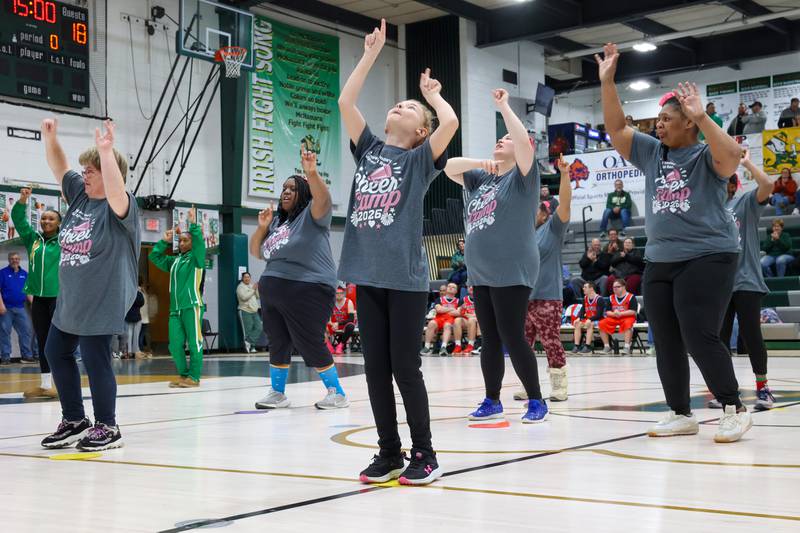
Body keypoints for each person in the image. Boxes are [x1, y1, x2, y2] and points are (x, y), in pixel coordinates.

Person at [597, 43, 751, 443]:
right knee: (664, 339)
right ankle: (681, 412)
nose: (659, 125)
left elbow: (733, 157)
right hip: (661, 259)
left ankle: (733, 408)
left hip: (709, 254)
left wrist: (702, 115)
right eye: (658, 119)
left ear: (689, 125)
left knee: (699, 334)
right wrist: (608, 82)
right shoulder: (653, 152)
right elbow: (617, 130)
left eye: (666, 119)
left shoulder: (705, 155)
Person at [337, 19, 457, 486]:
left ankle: (425, 454)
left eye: (409, 107)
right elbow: (346, 102)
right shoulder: (368, 149)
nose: (399, 105)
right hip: (367, 275)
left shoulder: (419, 160)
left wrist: (433, 96)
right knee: (375, 370)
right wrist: (370, 54)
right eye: (399, 103)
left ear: (420, 130)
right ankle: (389, 452)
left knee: (405, 367)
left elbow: (450, 122)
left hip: (405, 279)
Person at [445, 88, 547, 425]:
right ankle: (492, 400)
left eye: (507, 139)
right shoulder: (481, 179)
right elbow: (448, 167)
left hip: (512, 269)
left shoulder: (523, 178)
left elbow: (523, 141)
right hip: (481, 272)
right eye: (499, 139)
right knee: (489, 338)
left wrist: (503, 107)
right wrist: (480, 163)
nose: (502, 141)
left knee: (512, 335)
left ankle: (536, 400)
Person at [39, 118, 141, 452]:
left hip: (103, 297)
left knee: (95, 359)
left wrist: (106, 153)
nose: (84, 175)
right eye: (84, 170)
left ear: (110, 173)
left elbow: (116, 189)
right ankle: (74, 420)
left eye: (91, 171)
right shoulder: (79, 197)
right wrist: (50, 138)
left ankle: (108, 426)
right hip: (72, 299)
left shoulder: (120, 207)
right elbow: (60, 168)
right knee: (55, 351)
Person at [250, 147, 348, 411]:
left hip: (309, 288)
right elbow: (257, 252)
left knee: (309, 340)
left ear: (303, 193)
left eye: (292, 188)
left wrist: (311, 173)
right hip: (273, 291)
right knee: (278, 341)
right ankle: (277, 393)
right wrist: (261, 228)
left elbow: (324, 199)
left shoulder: (312, 216)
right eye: (284, 188)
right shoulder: (278, 224)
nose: (286, 192)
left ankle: (337, 393)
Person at [717, 149, 775, 411]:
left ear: (732, 185)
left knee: (751, 335)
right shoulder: (711, 209)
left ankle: (763, 389)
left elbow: (768, 184)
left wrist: (747, 163)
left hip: (747, 280)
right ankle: (726, 391)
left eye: (725, 181)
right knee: (719, 339)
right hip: (720, 285)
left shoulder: (745, 203)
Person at [521, 155, 572, 402]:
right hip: (524, 297)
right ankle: (529, 384)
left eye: (536, 209)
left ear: (545, 214)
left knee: (550, 340)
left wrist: (564, 175)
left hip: (548, 296)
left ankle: (559, 384)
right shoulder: (523, 235)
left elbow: (565, 204)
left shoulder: (552, 230)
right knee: (523, 343)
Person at [149, 207, 206, 388]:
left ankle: (194, 377)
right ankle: (184, 375)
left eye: (185, 240)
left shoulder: (196, 259)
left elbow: (199, 244)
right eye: (180, 240)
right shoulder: (174, 261)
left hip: (192, 306)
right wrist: (163, 242)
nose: (181, 243)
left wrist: (193, 225)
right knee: (174, 345)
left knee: (195, 343)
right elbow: (154, 256)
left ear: (192, 242)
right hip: (175, 309)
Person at [11, 187, 60, 396]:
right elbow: (18, 219)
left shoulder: (64, 241)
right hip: (38, 299)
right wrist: (23, 200)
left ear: (59, 223)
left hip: (58, 298)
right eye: (44, 218)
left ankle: (61, 383)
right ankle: (46, 385)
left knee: (59, 341)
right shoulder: (34, 239)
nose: (46, 221)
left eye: (51, 219)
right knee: (42, 339)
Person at [0, 252, 34, 364]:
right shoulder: (2, 273)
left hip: (20, 308)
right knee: (5, 333)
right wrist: (1, 305)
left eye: (17, 258)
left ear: (19, 260)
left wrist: (33, 304)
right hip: (6, 308)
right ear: (9, 260)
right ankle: (5, 358)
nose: (14, 260)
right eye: (12, 258)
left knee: (26, 331)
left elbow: (28, 291)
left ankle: (26, 356)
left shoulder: (25, 274)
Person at [598, 279, 639, 355]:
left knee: (628, 324)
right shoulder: (611, 297)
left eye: (618, 287)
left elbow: (633, 311)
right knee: (601, 323)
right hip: (614, 317)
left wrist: (621, 313)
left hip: (627, 317)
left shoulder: (631, 297)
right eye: (614, 287)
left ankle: (627, 347)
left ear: (624, 287)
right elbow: (607, 312)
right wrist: (614, 314)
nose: (615, 289)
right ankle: (607, 347)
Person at [422, 282, 461, 356]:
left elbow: (458, 313)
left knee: (447, 325)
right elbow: (438, 310)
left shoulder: (459, 301)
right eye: (449, 286)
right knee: (431, 323)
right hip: (439, 318)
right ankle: (426, 347)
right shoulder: (439, 299)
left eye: (453, 287)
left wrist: (444, 309)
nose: (450, 288)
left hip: (450, 319)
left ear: (456, 291)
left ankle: (443, 347)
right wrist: (452, 309)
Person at [572, 281, 604, 354]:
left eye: (585, 287)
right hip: (588, 319)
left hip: (598, 319)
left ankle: (587, 346)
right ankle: (577, 345)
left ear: (591, 288)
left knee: (590, 324)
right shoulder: (585, 298)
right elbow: (582, 310)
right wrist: (578, 318)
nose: (583, 288)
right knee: (577, 324)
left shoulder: (599, 299)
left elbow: (599, 314)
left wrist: (590, 319)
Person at [326, 286, 357, 355]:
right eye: (337, 293)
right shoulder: (331, 302)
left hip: (344, 324)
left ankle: (341, 345)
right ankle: (328, 345)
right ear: (334, 294)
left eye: (341, 293)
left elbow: (351, 319)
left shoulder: (348, 302)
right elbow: (328, 318)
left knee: (351, 326)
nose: (339, 295)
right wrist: (332, 324)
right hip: (333, 324)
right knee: (321, 325)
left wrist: (338, 323)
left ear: (344, 294)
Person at [236, 272, 262, 353]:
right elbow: (244, 297)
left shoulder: (251, 286)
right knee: (248, 330)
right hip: (245, 310)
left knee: (259, 328)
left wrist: (256, 288)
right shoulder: (240, 287)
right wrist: (253, 289)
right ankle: (251, 347)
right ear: (242, 278)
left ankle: (248, 342)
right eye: (245, 277)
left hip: (254, 311)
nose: (247, 278)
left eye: (248, 277)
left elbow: (258, 296)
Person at [453, 285, 479, 355]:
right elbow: (458, 312)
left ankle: (470, 345)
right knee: (457, 320)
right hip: (468, 320)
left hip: (479, 321)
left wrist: (473, 316)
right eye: (469, 286)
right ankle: (458, 345)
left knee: (472, 320)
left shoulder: (481, 299)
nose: (471, 287)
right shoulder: (463, 300)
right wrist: (461, 310)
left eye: (473, 286)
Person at [124, 287, 145, 360]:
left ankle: (129, 351)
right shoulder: (138, 293)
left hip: (128, 316)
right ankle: (135, 351)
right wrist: (139, 292)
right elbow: (142, 303)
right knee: (136, 335)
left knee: (129, 335)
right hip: (137, 316)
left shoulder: (127, 293)